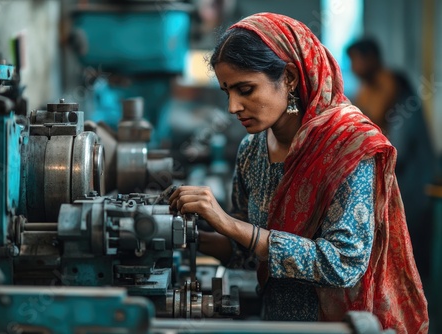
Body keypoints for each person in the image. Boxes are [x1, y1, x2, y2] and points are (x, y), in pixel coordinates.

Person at [169, 12, 429, 334]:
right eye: (227, 92)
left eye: (245, 90)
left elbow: (343, 263)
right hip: (276, 323)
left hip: (336, 325)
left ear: (289, 77)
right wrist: (182, 236)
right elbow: (249, 252)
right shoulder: (252, 151)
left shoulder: (347, 148)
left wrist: (229, 224)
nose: (233, 107)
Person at [347, 38, 436, 281]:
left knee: (413, 251)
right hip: (396, 182)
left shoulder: (397, 90)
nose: (354, 67)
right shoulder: (366, 90)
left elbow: (400, 147)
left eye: (356, 60)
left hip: (414, 185)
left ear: (372, 58)